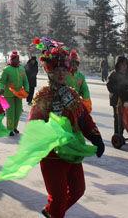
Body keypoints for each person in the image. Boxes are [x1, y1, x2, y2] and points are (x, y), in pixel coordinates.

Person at [28, 39, 104, 218]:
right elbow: (34, 125)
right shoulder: (43, 96)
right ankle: (55, 212)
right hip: (52, 155)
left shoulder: (71, 94)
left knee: (78, 190)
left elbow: (84, 118)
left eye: (64, 69)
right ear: (50, 71)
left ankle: (51, 211)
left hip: (73, 151)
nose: (61, 73)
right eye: (57, 69)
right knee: (59, 196)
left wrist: (96, 138)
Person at [106, 55, 128, 140]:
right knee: (118, 118)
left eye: (125, 64)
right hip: (118, 100)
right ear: (118, 65)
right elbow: (110, 87)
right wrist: (118, 90)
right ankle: (118, 135)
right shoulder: (113, 74)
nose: (124, 66)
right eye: (122, 64)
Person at [0, 51, 29, 136]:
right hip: (9, 94)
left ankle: (15, 127)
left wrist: (27, 89)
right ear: (11, 60)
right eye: (14, 60)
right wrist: (1, 89)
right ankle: (9, 129)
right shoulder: (7, 69)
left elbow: (25, 81)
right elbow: (2, 81)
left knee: (18, 112)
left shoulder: (22, 69)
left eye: (17, 59)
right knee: (10, 112)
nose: (16, 61)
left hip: (19, 93)